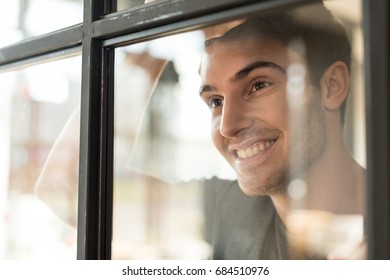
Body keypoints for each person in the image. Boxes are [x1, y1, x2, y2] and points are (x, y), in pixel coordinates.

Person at [35, 2, 365, 259]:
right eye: (215, 101)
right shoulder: (225, 210)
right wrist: (162, 31)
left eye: (258, 85)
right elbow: (61, 189)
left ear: (331, 86)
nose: (228, 125)